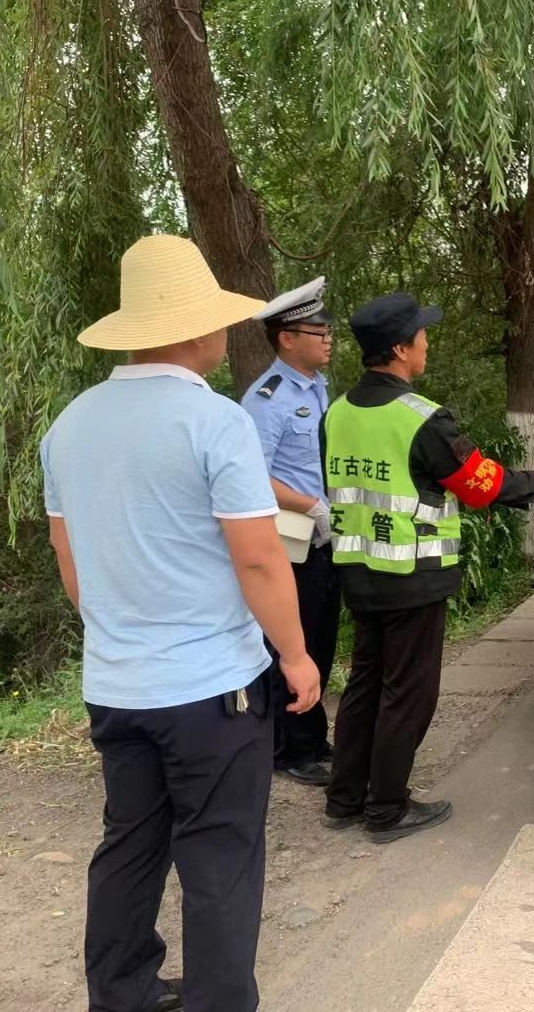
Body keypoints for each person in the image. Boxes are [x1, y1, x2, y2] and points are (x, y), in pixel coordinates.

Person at [41, 234, 321, 1012]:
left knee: (130, 843)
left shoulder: (68, 426)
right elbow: (260, 560)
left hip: (115, 685)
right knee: (219, 856)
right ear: (198, 328)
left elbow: (73, 567)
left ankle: (122, 993)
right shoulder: (214, 421)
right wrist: (295, 658)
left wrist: (125, 635)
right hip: (211, 691)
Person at [320, 292, 534, 843]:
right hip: (412, 575)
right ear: (401, 349)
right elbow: (482, 485)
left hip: (357, 569)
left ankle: (344, 799)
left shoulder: (336, 412)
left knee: (365, 682)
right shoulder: (422, 419)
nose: (428, 344)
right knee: (408, 691)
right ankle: (386, 809)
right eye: (423, 336)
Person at [240, 277, 341, 787]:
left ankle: (310, 735)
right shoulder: (267, 398)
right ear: (287, 337)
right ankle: (286, 749)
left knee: (319, 638)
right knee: (290, 641)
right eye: (317, 329)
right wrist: (311, 504)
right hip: (290, 539)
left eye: (327, 329)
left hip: (320, 538)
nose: (327, 338)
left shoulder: (318, 387)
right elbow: (251, 474)